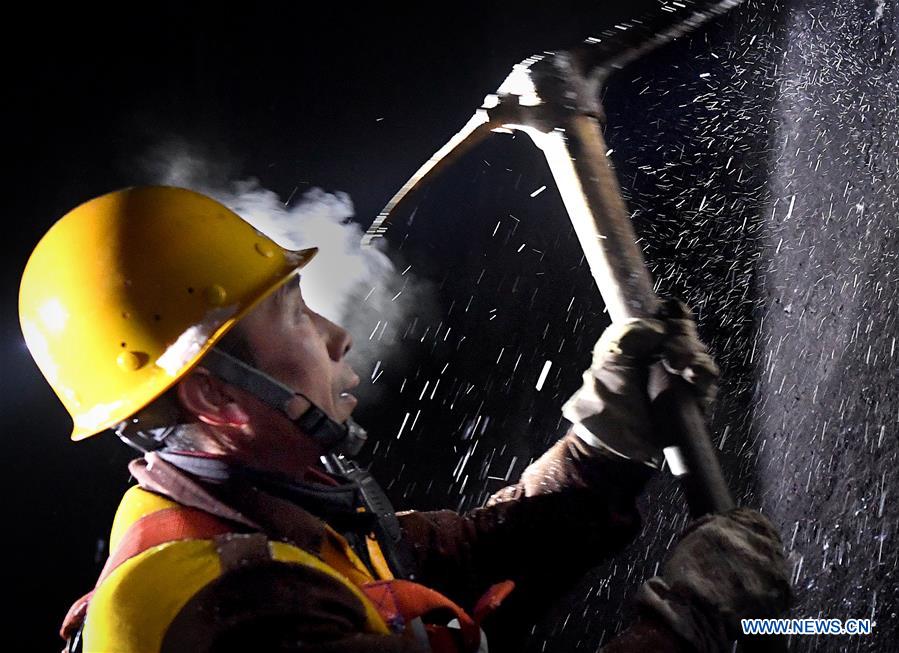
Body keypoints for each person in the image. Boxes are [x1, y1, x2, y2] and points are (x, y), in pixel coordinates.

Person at [19, 186, 790, 653]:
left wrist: (607, 435)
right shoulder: (221, 614)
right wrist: (691, 620)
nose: (334, 334)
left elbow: (466, 555)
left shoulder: (268, 517)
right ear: (216, 395)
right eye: (291, 313)